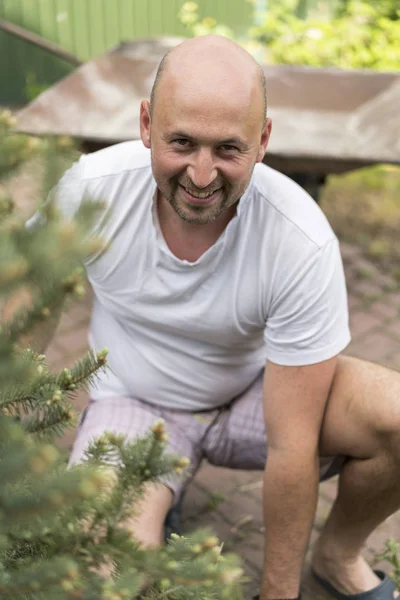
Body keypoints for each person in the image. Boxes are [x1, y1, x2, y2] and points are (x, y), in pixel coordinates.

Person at [33, 35, 400, 600]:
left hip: (256, 393)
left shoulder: (298, 237)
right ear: (146, 124)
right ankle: (157, 490)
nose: (202, 177)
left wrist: (278, 593)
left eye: (228, 149)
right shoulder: (93, 190)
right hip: (135, 400)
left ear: (264, 141)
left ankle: (337, 555)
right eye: (181, 142)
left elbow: (292, 445)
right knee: (110, 574)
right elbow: (25, 307)